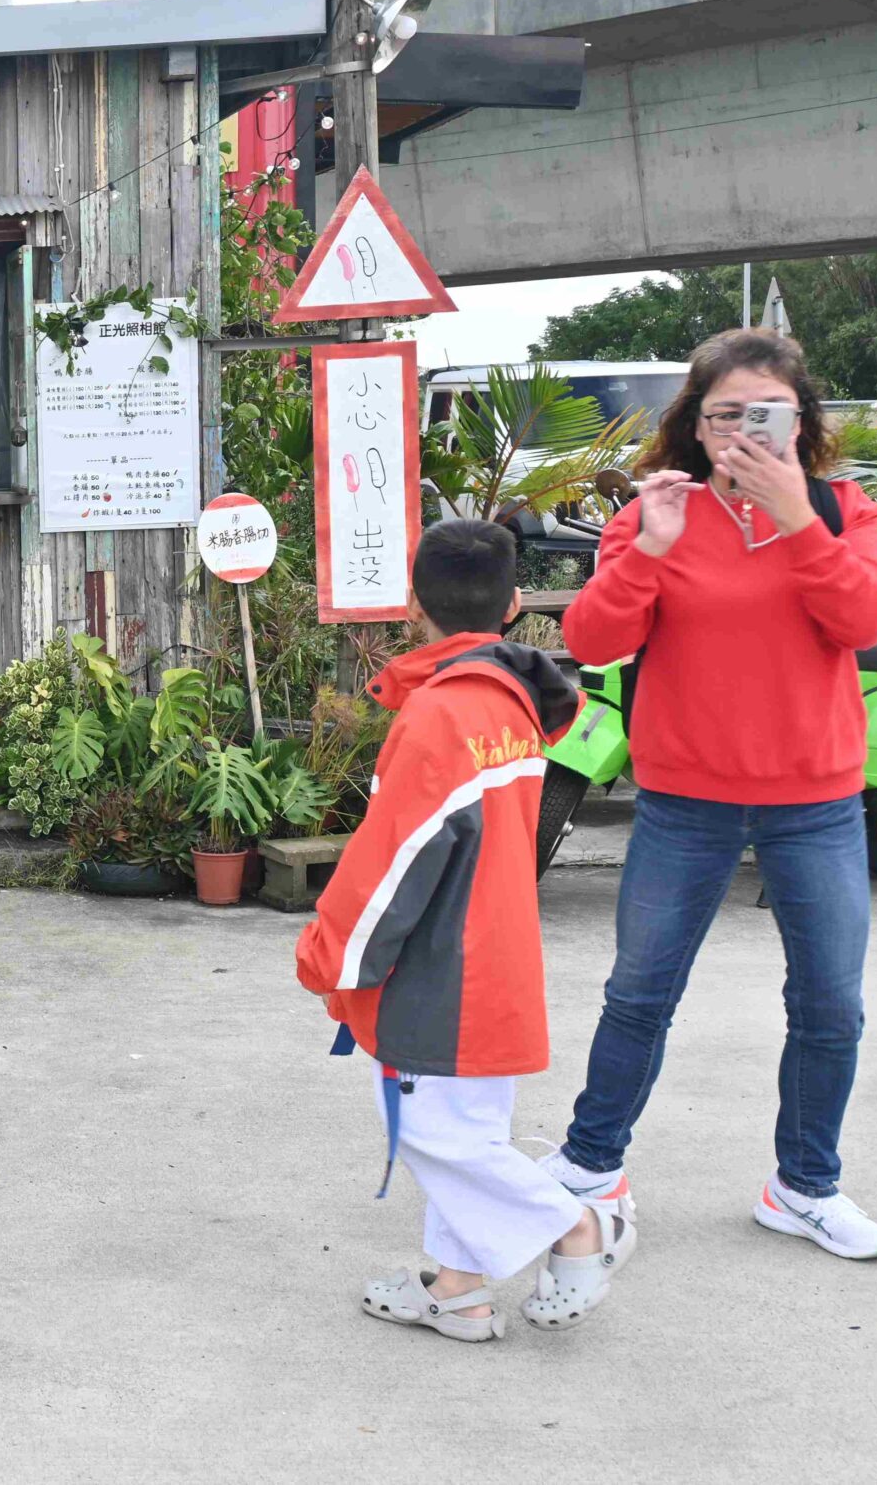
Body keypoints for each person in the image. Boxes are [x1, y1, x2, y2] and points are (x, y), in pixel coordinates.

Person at [549, 328, 877, 1259]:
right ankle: (589, 1164)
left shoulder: (841, 509)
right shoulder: (656, 511)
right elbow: (590, 640)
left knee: (830, 1004)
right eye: (724, 415)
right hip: (684, 802)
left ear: (802, 420)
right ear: (694, 425)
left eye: (767, 414)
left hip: (817, 802)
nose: (744, 432)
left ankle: (804, 1185)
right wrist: (651, 551)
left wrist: (799, 520)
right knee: (640, 992)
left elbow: (865, 622)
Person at [296, 520, 628, 1340]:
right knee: (469, 1126)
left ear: (414, 604)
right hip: (501, 954)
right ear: (516, 603)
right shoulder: (517, 703)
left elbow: (393, 861)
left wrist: (332, 956)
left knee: (433, 1132)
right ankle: (457, 1290)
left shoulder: (442, 715)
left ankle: (575, 1226)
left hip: (445, 968)